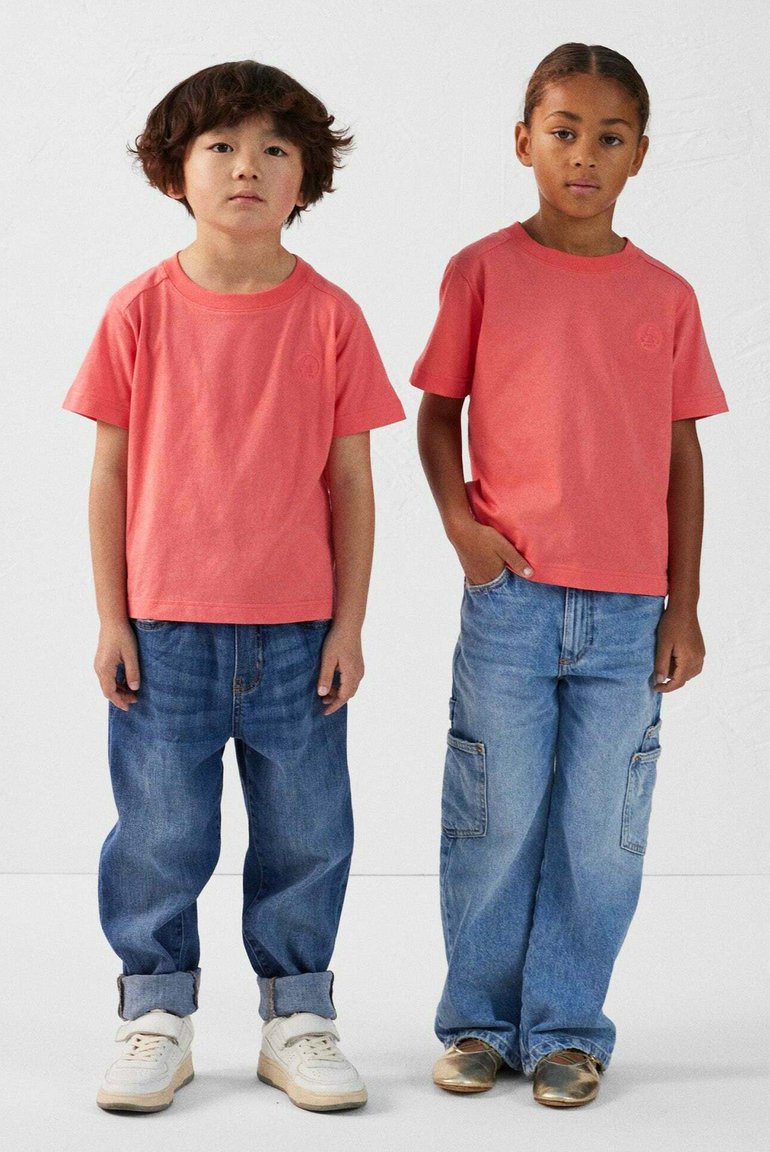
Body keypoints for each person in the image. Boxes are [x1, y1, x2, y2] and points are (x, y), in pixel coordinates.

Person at [62, 59, 404, 1115]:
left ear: (307, 178)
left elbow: (350, 479)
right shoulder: (139, 313)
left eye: (272, 148)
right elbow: (110, 471)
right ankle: (154, 1013)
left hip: (299, 633)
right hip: (164, 630)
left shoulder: (332, 317)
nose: (245, 168)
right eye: (218, 147)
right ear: (176, 172)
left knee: (306, 831)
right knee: (161, 834)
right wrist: (111, 616)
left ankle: (297, 1016)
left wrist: (349, 623)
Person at [412, 42, 728, 1108]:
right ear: (522, 142)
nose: (582, 154)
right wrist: (461, 525)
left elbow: (682, 453)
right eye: (562, 132)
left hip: (630, 611)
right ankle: (473, 1024)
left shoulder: (665, 295)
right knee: (493, 813)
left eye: (607, 137)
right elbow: (436, 413)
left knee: (600, 827)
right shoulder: (481, 271)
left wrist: (681, 603)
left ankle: (562, 1028)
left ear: (637, 154)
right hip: (510, 598)